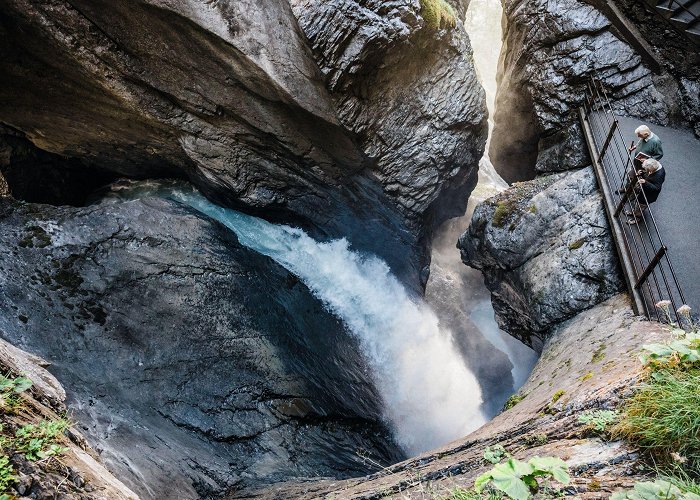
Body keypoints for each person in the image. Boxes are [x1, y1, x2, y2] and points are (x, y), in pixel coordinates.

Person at [616, 125, 664, 194]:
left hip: (645, 166)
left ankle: (633, 193)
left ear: (646, 134)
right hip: (637, 162)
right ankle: (627, 189)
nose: (638, 136)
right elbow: (640, 142)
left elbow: (659, 155)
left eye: (640, 135)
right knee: (630, 176)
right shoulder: (644, 136)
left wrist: (647, 160)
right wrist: (634, 147)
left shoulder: (656, 141)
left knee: (640, 180)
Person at [627, 158, 665, 224]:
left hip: (648, 196)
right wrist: (643, 172)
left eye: (647, 170)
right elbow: (649, 172)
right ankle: (634, 212)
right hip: (643, 192)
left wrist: (645, 182)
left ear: (651, 169)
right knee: (637, 204)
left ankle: (637, 218)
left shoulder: (659, 175)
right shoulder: (655, 165)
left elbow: (656, 188)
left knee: (640, 207)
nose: (646, 171)